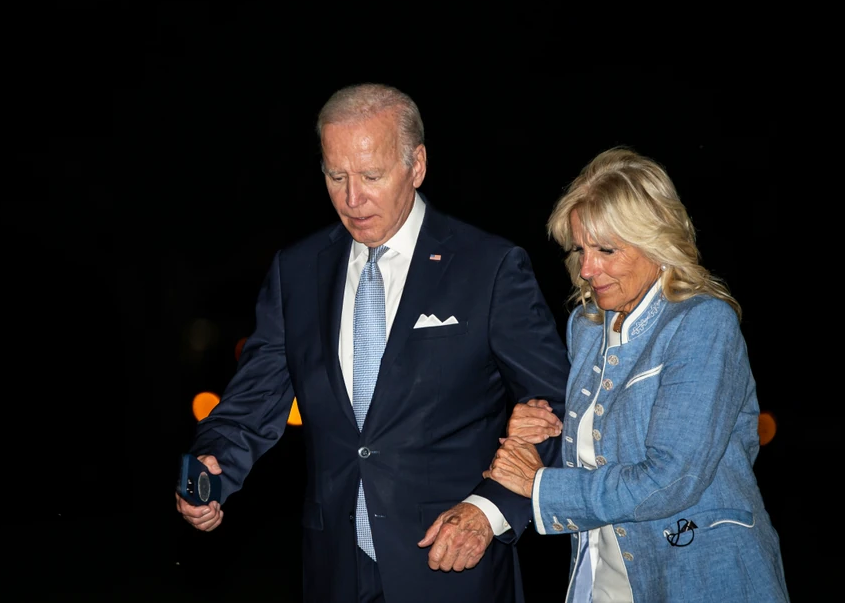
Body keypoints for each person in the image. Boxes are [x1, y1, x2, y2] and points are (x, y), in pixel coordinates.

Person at [175, 82, 571, 603]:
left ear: (417, 165)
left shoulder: (489, 267)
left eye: (371, 176)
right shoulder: (297, 271)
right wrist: (212, 463)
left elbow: (558, 406)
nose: (352, 198)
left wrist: (491, 509)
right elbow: (252, 402)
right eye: (336, 176)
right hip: (334, 569)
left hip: (454, 566)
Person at [482, 147, 790, 602]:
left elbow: (673, 477)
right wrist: (546, 428)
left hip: (701, 577)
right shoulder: (587, 327)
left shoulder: (702, 322)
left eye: (606, 249)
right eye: (580, 249)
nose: (587, 269)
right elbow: (608, 448)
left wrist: (541, 486)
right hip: (602, 579)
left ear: (656, 242)